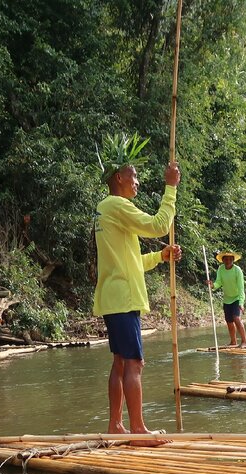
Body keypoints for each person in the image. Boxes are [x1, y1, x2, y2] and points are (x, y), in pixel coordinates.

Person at [94, 134, 182, 445]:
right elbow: (159, 225)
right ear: (118, 177)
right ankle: (138, 430)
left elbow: (131, 262)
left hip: (113, 296)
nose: (138, 182)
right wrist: (170, 186)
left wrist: (161, 255)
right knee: (134, 363)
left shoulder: (106, 210)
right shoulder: (117, 205)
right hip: (122, 298)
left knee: (120, 361)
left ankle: (116, 425)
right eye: (134, 176)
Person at [209, 250, 246, 347]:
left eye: (230, 259)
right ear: (223, 260)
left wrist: (241, 302)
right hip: (227, 299)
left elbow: (241, 287)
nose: (228, 261)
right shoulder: (221, 269)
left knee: (236, 318)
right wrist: (212, 285)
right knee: (229, 321)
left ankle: (244, 341)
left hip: (237, 298)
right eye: (226, 259)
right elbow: (219, 282)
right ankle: (233, 341)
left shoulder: (237, 270)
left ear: (233, 260)